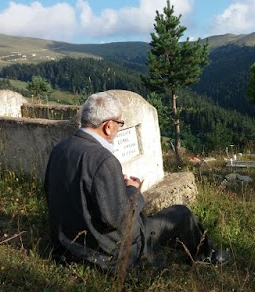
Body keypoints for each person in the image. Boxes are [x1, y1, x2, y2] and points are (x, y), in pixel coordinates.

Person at [44, 92, 229, 271]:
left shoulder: (60, 149)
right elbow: (118, 220)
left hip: (67, 248)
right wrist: (133, 191)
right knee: (181, 213)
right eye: (120, 123)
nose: (118, 128)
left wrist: (115, 186)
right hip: (106, 253)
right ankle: (205, 255)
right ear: (108, 126)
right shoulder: (104, 160)